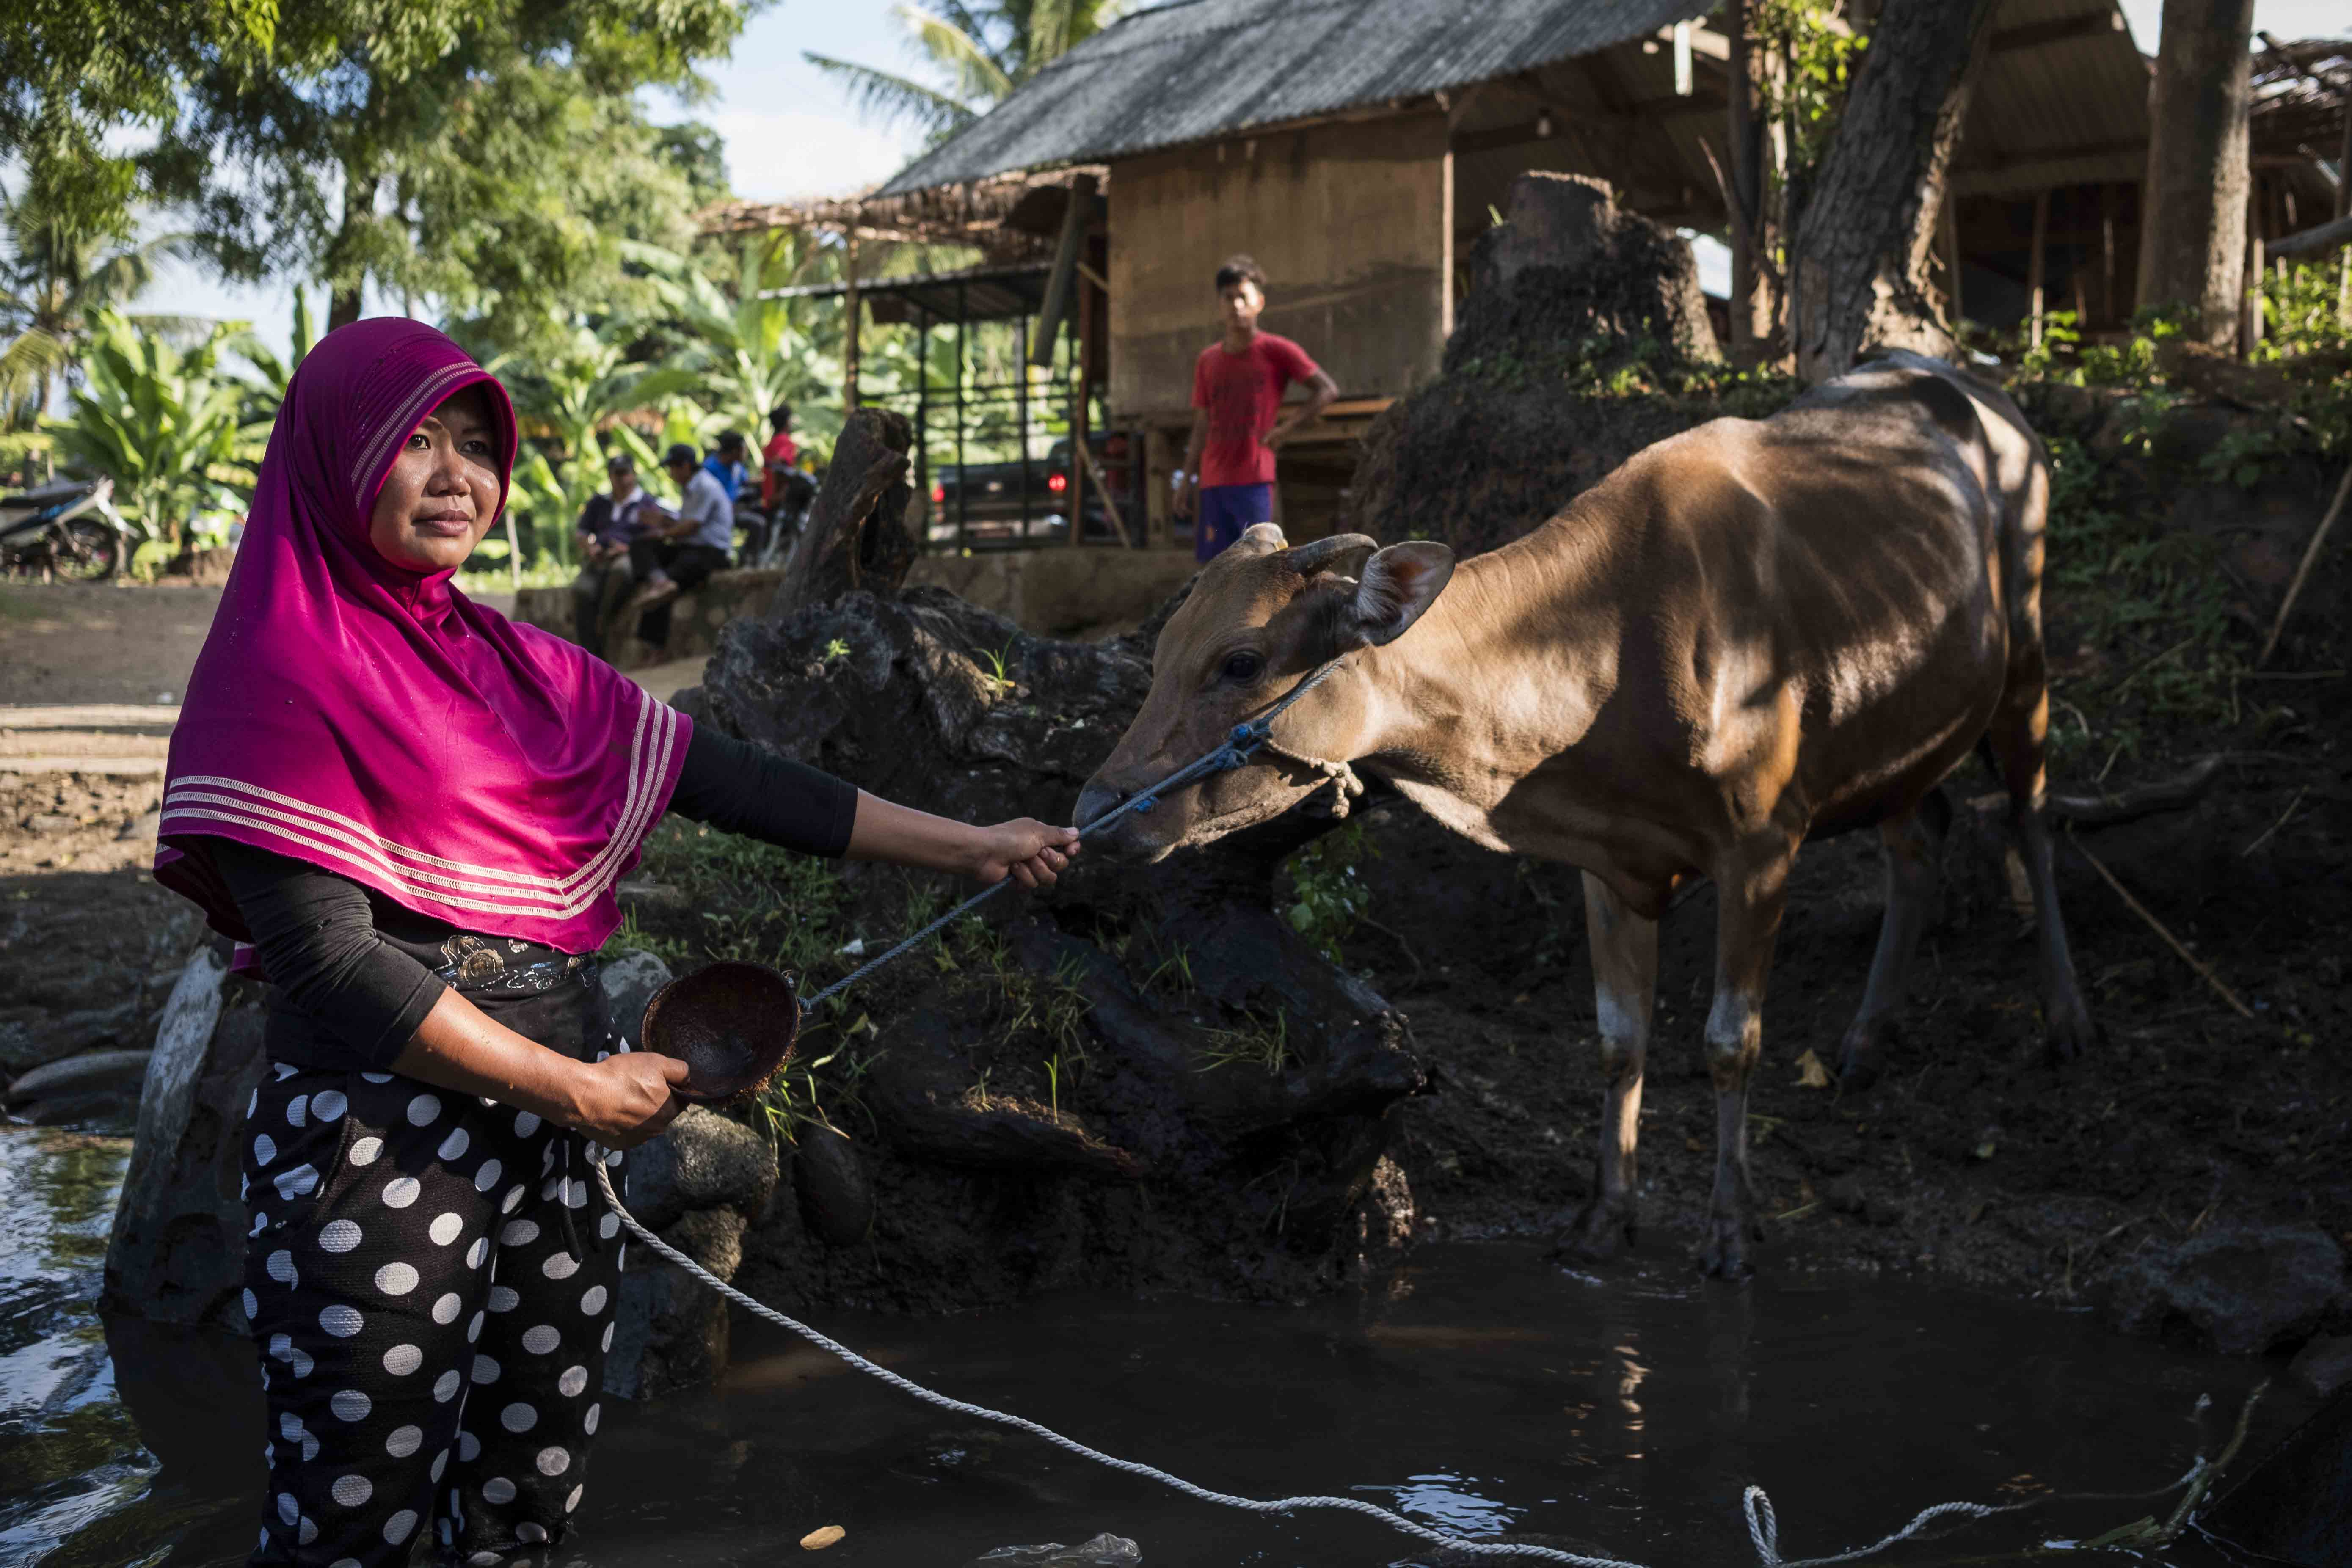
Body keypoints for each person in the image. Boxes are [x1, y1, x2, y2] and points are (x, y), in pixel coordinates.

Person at [150, 319, 1077, 1568]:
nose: (453, 476)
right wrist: (577, 1087)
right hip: (374, 1158)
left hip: (551, 1152)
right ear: (334, 452)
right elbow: (333, 960)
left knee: (523, 1506)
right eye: (414, 439)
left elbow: (740, 779)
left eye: (476, 446)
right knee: (352, 1524)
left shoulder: (518, 668)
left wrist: (969, 842)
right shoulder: (280, 663)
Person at [1172, 254, 1338, 562]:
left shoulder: (1276, 350)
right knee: (1211, 571)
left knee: (1260, 566)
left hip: (1254, 478)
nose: (1236, 305)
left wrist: (1285, 429)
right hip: (1212, 480)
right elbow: (1201, 424)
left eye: (1243, 297)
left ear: (1259, 302)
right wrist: (1186, 481)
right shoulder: (1207, 360)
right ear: (1219, 304)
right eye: (1229, 297)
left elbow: (1327, 390)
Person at [626, 442, 733, 648]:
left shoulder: (705, 487)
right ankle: (660, 582)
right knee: (642, 547)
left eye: (673, 468)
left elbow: (692, 527)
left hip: (710, 552)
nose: (671, 474)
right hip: (691, 548)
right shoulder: (690, 488)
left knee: (672, 576)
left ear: (685, 466)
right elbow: (685, 525)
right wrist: (663, 522)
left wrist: (663, 533)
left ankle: (663, 585)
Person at [568, 453, 655, 656]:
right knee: (581, 590)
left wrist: (628, 548)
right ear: (610, 476)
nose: (622, 479)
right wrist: (590, 547)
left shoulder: (647, 503)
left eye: (626, 474)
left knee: (622, 571)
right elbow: (582, 532)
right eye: (617, 474)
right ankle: (590, 653)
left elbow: (656, 535)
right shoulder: (599, 502)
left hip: (628, 556)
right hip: (599, 558)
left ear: (634, 475)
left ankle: (603, 622)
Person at [760, 404, 801, 511]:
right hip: (779, 500)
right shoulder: (787, 443)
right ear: (787, 422)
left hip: (767, 498)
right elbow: (780, 467)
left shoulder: (770, 444)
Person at [702, 431, 750, 503]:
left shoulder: (736, 467)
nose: (746, 453)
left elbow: (746, 480)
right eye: (743, 450)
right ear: (735, 451)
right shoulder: (709, 469)